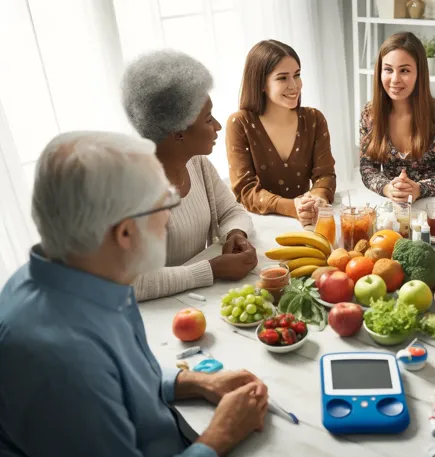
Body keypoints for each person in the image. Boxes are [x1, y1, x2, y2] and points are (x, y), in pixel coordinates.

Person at [0, 131, 270, 456]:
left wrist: (194, 382)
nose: (170, 214)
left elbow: (123, 379)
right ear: (126, 232)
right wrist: (220, 435)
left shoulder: (88, 273)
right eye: (165, 202)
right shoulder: (62, 363)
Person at [122, 50, 257, 302]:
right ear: (178, 132)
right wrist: (212, 269)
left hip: (195, 303)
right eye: (208, 119)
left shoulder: (197, 164)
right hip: (152, 319)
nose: (217, 126)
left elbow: (232, 212)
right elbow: (131, 282)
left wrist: (235, 234)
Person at [227, 40, 336, 226]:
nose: (294, 85)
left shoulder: (314, 119)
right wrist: (291, 207)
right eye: (282, 78)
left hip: (307, 221)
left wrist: (317, 198)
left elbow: (325, 175)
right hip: (261, 226)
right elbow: (245, 191)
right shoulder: (240, 123)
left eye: (297, 75)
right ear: (261, 83)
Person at [360, 32, 435, 202]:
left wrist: (419, 189)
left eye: (404, 70)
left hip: (431, 207)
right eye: (388, 70)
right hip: (392, 205)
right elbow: (368, 168)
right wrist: (387, 187)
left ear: (419, 73)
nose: (395, 79)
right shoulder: (370, 114)